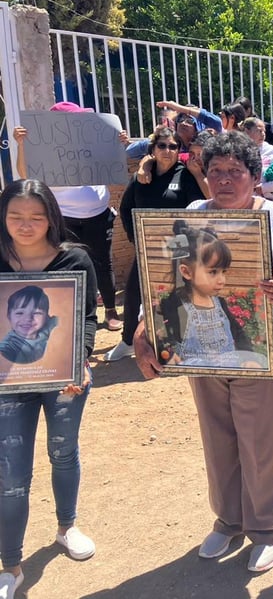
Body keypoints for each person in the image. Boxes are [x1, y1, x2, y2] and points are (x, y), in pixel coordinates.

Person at [133, 131, 273, 573]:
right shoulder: (195, 214)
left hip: (263, 353)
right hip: (205, 353)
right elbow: (161, 273)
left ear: (255, 177)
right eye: (215, 171)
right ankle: (228, 520)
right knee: (218, 438)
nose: (224, 180)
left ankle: (268, 528)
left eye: (235, 171)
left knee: (262, 444)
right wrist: (145, 322)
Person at [0, 180, 99, 599]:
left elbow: (89, 318)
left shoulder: (75, 258)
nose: (26, 225)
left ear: (52, 219)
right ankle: (10, 563)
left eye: (36, 217)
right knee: (11, 473)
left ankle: (66, 526)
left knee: (63, 452)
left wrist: (83, 359)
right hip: (6, 384)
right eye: (16, 216)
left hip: (64, 381)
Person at [12, 102, 126, 332]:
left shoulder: (92, 144)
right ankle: (71, 316)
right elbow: (25, 174)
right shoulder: (45, 149)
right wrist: (22, 145)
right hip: (64, 218)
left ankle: (111, 311)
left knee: (103, 264)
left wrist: (119, 145)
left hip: (98, 215)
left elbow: (113, 165)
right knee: (67, 267)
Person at [104, 126, 207, 362]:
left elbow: (198, 209)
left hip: (179, 249)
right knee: (133, 293)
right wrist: (135, 238)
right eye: (162, 145)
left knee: (178, 295)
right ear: (153, 149)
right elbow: (126, 208)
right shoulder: (141, 177)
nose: (168, 150)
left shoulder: (186, 176)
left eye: (173, 146)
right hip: (147, 248)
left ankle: (179, 344)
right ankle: (128, 341)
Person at [157, 222, 267, 368]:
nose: (222, 280)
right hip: (198, 373)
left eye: (223, 272)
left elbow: (238, 332)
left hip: (231, 367)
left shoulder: (220, 303)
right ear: (186, 272)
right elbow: (162, 337)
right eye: (213, 272)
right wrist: (168, 354)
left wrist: (249, 358)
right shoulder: (173, 305)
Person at [0, 285, 58, 364]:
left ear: (46, 317)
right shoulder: (8, 348)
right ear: (9, 316)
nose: (28, 319)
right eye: (19, 313)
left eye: (37, 313)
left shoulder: (46, 328)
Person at [242, 117, 273, 199]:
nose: (263, 134)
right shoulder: (238, 151)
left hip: (269, 199)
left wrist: (265, 187)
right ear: (247, 131)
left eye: (264, 131)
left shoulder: (271, 150)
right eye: (259, 131)